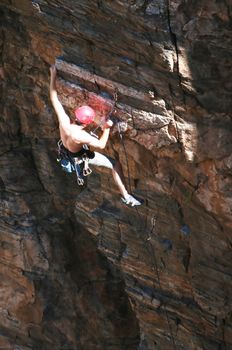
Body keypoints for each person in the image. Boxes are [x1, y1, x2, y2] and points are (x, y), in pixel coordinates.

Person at [49, 65, 141, 207]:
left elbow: (53, 97)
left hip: (67, 151)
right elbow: (101, 145)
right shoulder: (81, 136)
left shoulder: (64, 122)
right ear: (87, 123)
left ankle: (126, 196)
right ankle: (126, 196)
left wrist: (53, 75)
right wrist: (107, 128)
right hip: (80, 155)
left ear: (76, 116)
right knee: (115, 164)